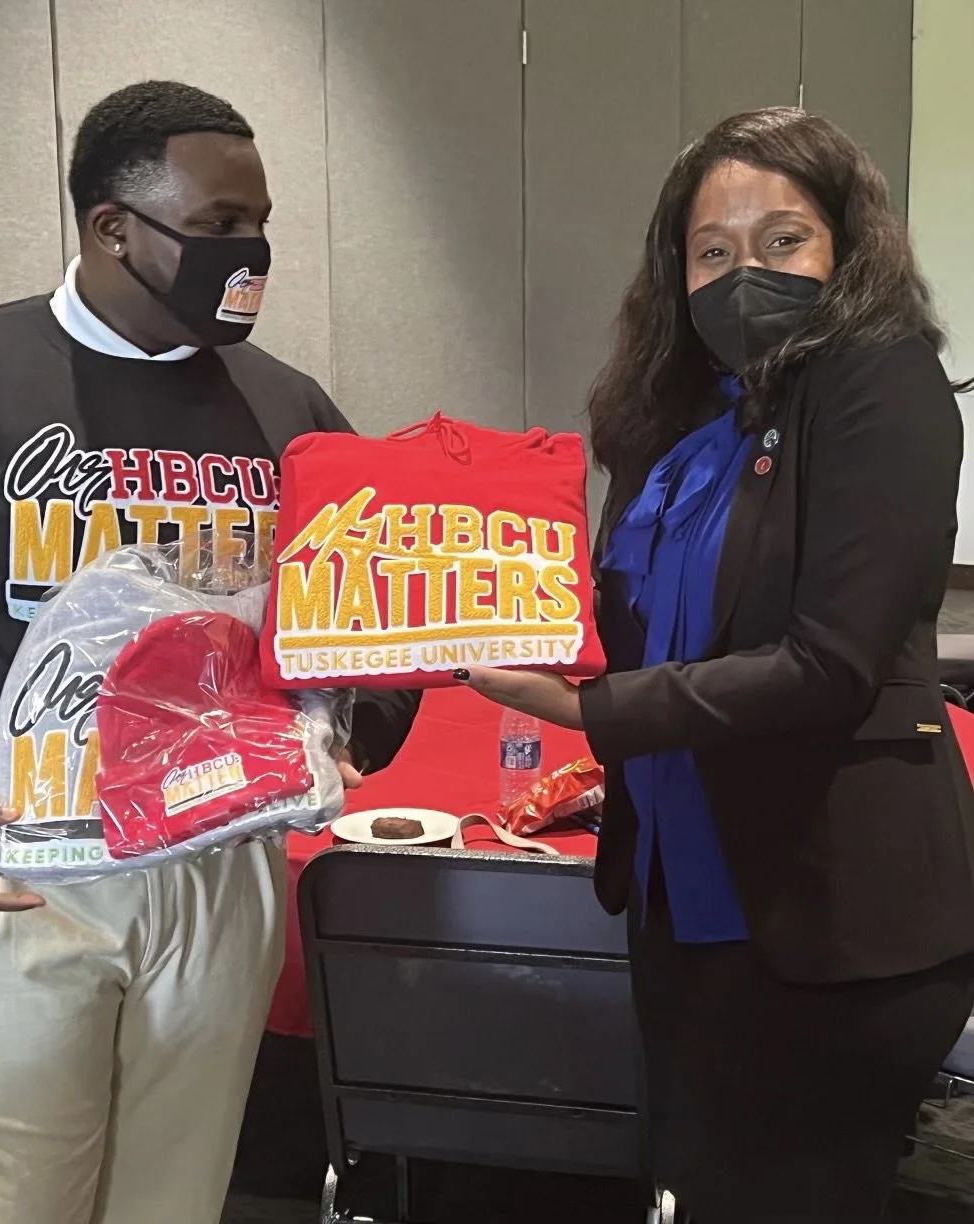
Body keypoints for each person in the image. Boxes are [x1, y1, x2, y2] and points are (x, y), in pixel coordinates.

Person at [0, 80, 418, 1224]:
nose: (251, 253)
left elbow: (373, 619)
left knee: (173, 1202)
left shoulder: (289, 410)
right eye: (217, 225)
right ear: (113, 227)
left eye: (260, 223)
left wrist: (353, 732)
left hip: (214, 873)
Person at [457, 108, 974, 1223]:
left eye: (784, 240)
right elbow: (618, 619)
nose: (747, 273)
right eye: (713, 251)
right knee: (694, 1192)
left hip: (831, 915)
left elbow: (829, 665)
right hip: (680, 897)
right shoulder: (673, 423)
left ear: (847, 245)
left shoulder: (883, 384)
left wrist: (590, 709)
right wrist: (475, 606)